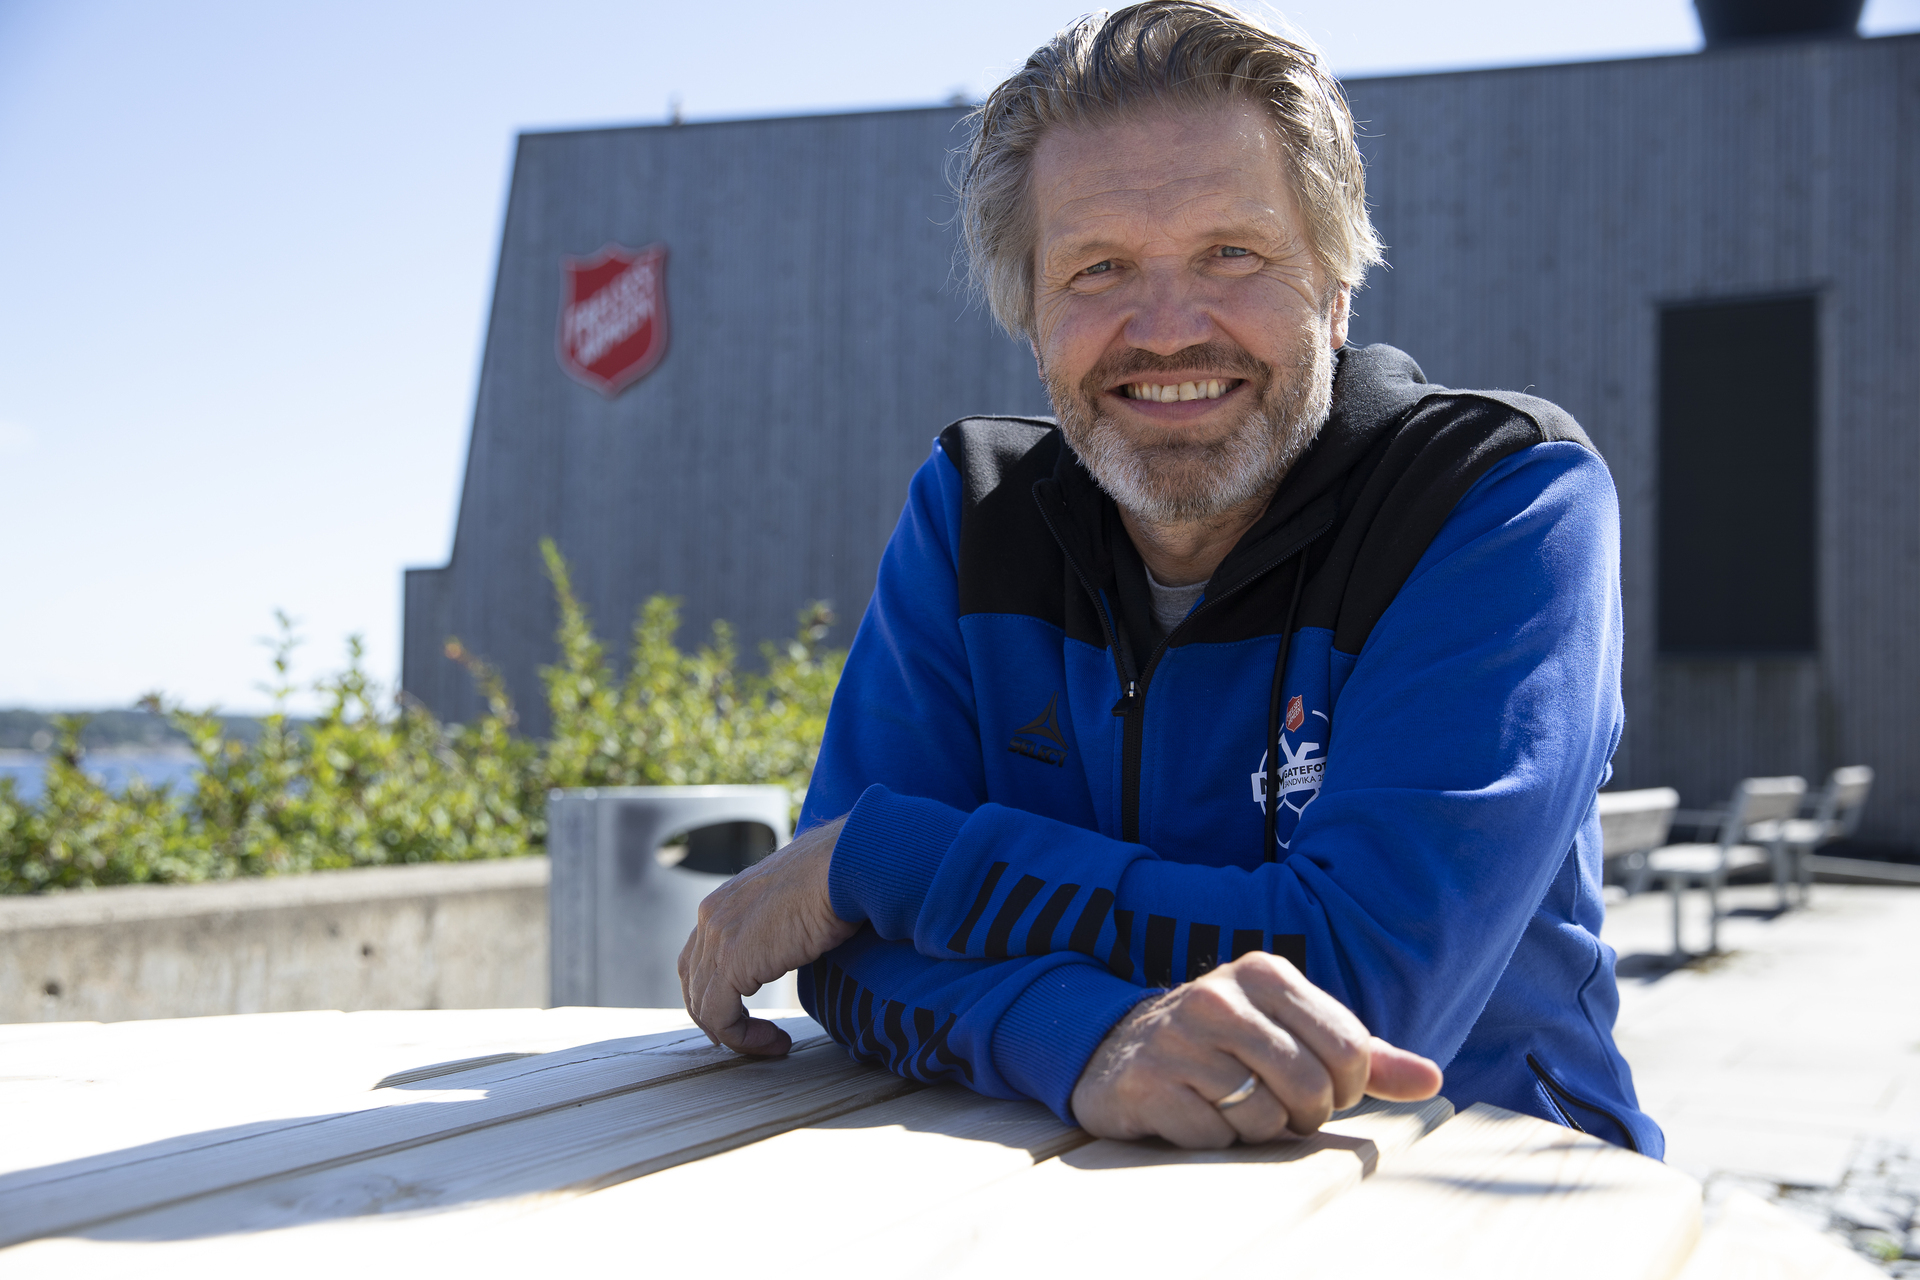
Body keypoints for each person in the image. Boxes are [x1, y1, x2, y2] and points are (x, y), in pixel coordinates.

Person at [680, 0, 1662, 1156]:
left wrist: (894, 860)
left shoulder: (1495, 498)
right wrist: (1084, 1036)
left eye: (1230, 254)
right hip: (1075, 1190)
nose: (1165, 328)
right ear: (1031, 312)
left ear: (1336, 286)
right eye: (1098, 267)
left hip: (1486, 1192)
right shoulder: (972, 513)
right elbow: (837, 947)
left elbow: (1361, 997)